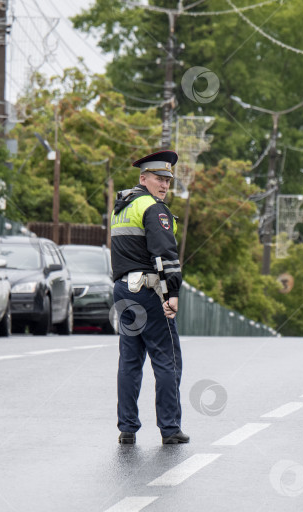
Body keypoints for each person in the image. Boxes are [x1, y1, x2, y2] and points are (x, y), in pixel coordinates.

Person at [110, 150, 188, 445]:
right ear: (143, 179)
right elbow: (164, 255)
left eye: (168, 179)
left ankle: (127, 427)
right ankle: (170, 428)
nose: (165, 185)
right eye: (159, 178)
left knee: (130, 361)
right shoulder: (153, 209)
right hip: (149, 291)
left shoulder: (121, 207)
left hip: (123, 291)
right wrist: (173, 293)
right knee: (168, 359)